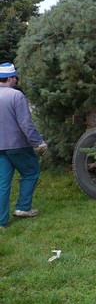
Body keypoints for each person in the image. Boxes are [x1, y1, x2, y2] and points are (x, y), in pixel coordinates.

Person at [0, 62, 47, 229]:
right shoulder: (16, 96)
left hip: (0, 147)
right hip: (17, 145)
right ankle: (23, 208)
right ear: (11, 78)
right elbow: (26, 123)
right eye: (15, 77)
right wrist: (38, 143)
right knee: (32, 172)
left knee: (3, 183)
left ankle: (1, 221)